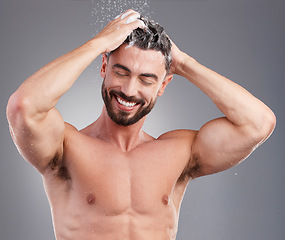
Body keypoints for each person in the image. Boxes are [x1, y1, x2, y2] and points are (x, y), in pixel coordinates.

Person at [6, 9, 276, 240]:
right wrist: (98, 43)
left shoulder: (179, 151)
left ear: (163, 85)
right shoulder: (67, 147)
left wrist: (184, 63)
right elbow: (24, 106)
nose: (129, 90)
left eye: (147, 79)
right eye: (121, 72)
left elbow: (258, 123)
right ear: (104, 68)